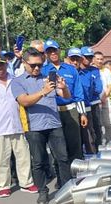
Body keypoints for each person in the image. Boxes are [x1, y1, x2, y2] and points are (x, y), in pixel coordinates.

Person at [11, 47, 72, 204]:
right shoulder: (17, 82)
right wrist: (43, 92)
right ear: (24, 63)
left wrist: (64, 88)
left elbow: (66, 97)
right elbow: (24, 101)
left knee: (63, 158)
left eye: (40, 64)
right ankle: (43, 191)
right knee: (39, 161)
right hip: (34, 127)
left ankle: (66, 189)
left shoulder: (49, 77)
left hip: (54, 123)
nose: (37, 68)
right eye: (33, 65)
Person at [0, 53, 37, 197]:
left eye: (1, 64)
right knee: (1, 160)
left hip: (18, 125)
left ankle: (27, 183)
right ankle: (4, 186)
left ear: (6, 64)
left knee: (23, 157)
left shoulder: (15, 80)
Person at [41, 41, 87, 175]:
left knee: (74, 143)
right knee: (57, 146)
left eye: (55, 50)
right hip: (52, 111)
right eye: (49, 51)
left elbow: (78, 93)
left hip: (70, 110)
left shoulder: (70, 69)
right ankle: (62, 176)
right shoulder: (43, 71)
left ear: (59, 51)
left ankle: (77, 174)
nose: (53, 53)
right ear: (46, 54)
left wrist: (82, 113)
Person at [78, 46, 103, 154]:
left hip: (92, 103)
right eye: (86, 57)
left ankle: (96, 151)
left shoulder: (94, 70)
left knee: (94, 130)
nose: (88, 59)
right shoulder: (76, 70)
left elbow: (98, 88)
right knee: (79, 132)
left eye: (90, 57)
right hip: (78, 104)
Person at [93, 52, 111, 145]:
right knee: (98, 124)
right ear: (93, 59)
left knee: (108, 123)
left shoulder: (106, 71)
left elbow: (110, 85)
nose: (99, 61)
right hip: (94, 101)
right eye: (97, 59)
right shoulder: (91, 70)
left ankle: (109, 142)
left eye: (101, 59)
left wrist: (104, 97)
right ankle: (99, 143)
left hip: (105, 100)